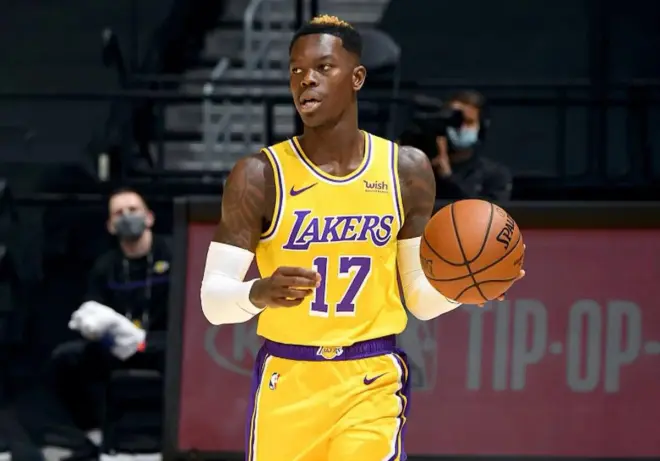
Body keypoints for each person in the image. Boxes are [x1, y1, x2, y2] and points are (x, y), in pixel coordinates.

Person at [200, 15, 524, 461]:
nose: (306, 79)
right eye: (296, 70)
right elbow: (213, 301)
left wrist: (467, 288)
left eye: (323, 67)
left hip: (370, 377)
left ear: (357, 78)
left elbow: (418, 297)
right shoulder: (259, 175)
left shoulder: (405, 169)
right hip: (288, 379)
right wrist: (259, 292)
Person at [48, 188, 170, 459]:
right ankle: (92, 435)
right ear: (110, 226)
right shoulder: (105, 266)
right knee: (66, 359)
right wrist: (95, 327)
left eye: (133, 210)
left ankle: (180, 436)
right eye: (119, 213)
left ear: (149, 217)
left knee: (185, 357)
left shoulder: (174, 253)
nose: (127, 216)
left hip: (162, 342)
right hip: (118, 346)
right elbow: (91, 309)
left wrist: (146, 341)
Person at [430, 90, 512, 201]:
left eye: (469, 122)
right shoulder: (425, 172)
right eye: (455, 122)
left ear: (481, 127)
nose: (461, 128)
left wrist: (448, 177)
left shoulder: (495, 175)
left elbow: (485, 210)